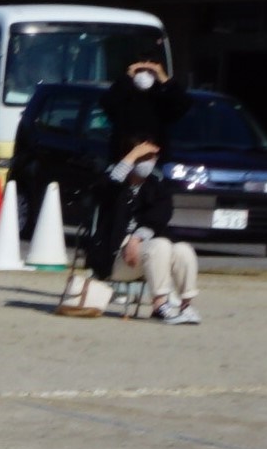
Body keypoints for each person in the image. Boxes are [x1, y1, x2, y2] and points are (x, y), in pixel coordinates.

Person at [81, 139, 201, 324]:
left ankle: (186, 306)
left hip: (145, 252)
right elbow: (104, 188)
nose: (148, 163)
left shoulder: (156, 186)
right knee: (160, 246)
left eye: (152, 158)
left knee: (183, 249)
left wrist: (136, 238)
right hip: (114, 257)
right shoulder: (114, 185)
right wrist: (133, 155)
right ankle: (160, 305)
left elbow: (160, 216)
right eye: (143, 158)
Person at [102, 58, 190, 156]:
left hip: (155, 156)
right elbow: (107, 103)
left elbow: (183, 104)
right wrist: (126, 77)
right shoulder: (124, 95)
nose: (144, 74)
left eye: (150, 71)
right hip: (124, 154)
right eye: (140, 70)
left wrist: (165, 80)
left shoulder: (162, 98)